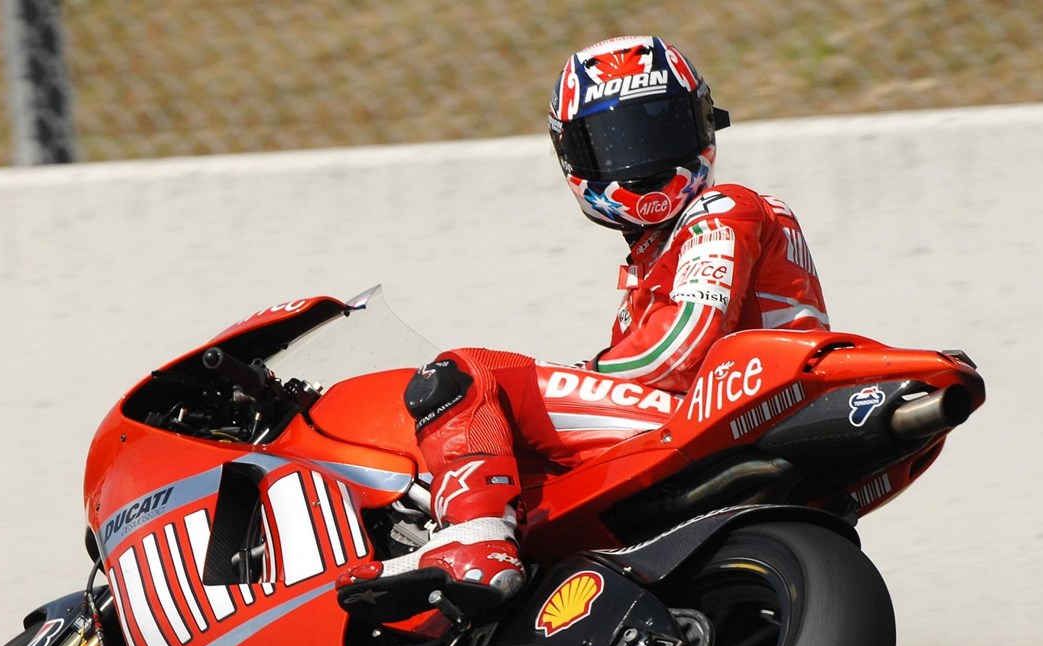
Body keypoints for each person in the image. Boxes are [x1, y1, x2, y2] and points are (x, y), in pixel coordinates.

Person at [337, 35, 828, 615]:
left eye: (660, 132)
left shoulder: (723, 208)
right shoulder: (658, 259)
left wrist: (579, 372)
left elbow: (680, 350)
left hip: (727, 406)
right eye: (614, 144)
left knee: (464, 376)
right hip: (742, 413)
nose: (641, 161)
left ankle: (477, 547)